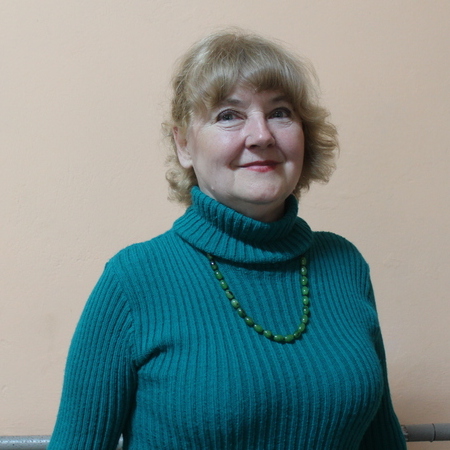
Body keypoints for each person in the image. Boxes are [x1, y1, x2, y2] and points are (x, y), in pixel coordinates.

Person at [49, 29, 406, 449]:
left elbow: (382, 439)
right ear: (184, 145)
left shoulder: (345, 264)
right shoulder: (133, 280)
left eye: (280, 112)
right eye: (228, 115)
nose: (261, 135)